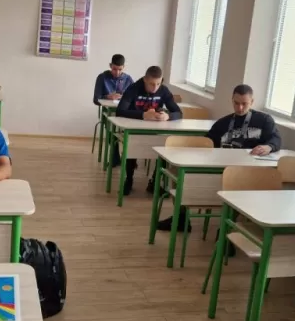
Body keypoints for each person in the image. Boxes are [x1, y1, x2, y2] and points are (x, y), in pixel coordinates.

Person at [157, 84, 281, 231]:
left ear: (252, 102)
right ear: (232, 100)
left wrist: (268, 147)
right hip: (221, 169)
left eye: (244, 104)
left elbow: (276, 140)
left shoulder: (264, 120)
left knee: (239, 188)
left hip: (249, 172)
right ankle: (181, 219)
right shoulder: (223, 123)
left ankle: (227, 230)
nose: (240, 108)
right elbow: (206, 144)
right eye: (236, 103)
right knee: (181, 176)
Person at [116, 65, 182, 195]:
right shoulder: (133, 88)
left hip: (155, 130)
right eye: (151, 84)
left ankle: (154, 182)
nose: (155, 87)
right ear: (145, 79)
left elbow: (178, 113)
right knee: (132, 148)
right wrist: (143, 115)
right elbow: (120, 111)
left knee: (164, 147)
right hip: (134, 129)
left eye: (158, 83)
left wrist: (168, 116)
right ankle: (129, 180)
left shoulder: (164, 90)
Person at [93, 54, 134, 167]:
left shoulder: (128, 79)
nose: (117, 72)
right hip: (108, 113)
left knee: (130, 131)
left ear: (124, 67)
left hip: (124, 112)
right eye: (114, 69)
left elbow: (135, 98)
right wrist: (107, 97)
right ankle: (116, 158)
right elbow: (96, 99)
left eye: (120, 69)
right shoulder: (102, 77)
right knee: (112, 130)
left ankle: (129, 159)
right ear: (110, 66)